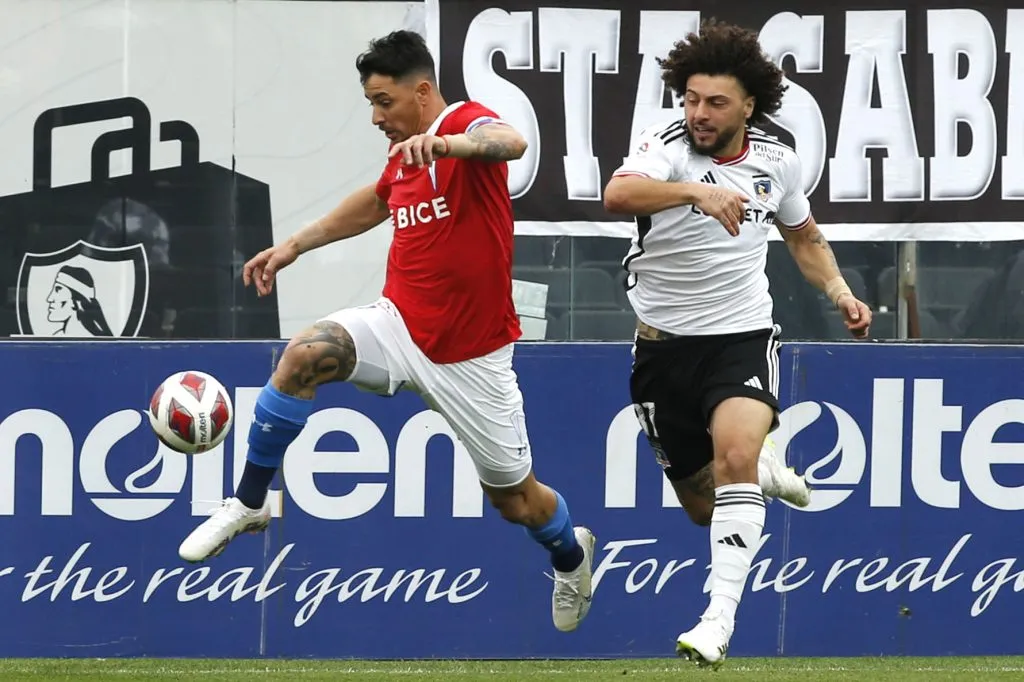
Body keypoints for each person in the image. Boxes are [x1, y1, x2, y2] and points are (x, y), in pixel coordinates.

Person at [177, 30, 596, 633]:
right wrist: (293, 245)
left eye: (383, 101)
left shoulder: (465, 124)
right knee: (303, 356)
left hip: (471, 357)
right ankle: (247, 503)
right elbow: (376, 202)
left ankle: (572, 556)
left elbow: (512, 140)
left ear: (421, 92)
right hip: (396, 325)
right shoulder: (404, 155)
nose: (376, 116)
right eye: (371, 103)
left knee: (518, 502)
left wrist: (449, 144)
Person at [603, 18, 872, 668]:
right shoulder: (665, 147)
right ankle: (769, 475)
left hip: (742, 336)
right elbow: (618, 194)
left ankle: (716, 621)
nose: (699, 113)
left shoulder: (777, 158)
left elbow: (803, 237)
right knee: (703, 507)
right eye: (692, 99)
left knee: (733, 460)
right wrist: (695, 191)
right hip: (662, 350)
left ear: (747, 104)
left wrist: (840, 294)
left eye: (715, 102)